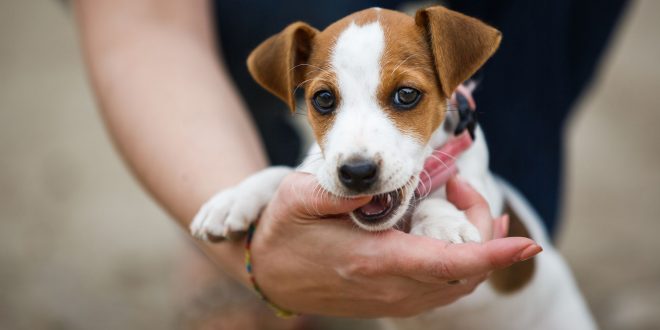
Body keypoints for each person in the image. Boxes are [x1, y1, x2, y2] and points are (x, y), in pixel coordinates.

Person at [73, 0, 625, 327]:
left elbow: (453, 211)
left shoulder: (466, 152)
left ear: (453, 80)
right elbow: (300, 185)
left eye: (404, 97)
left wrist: (434, 218)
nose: (356, 153)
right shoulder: (337, 150)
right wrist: (258, 193)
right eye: (327, 101)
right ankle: (253, 277)